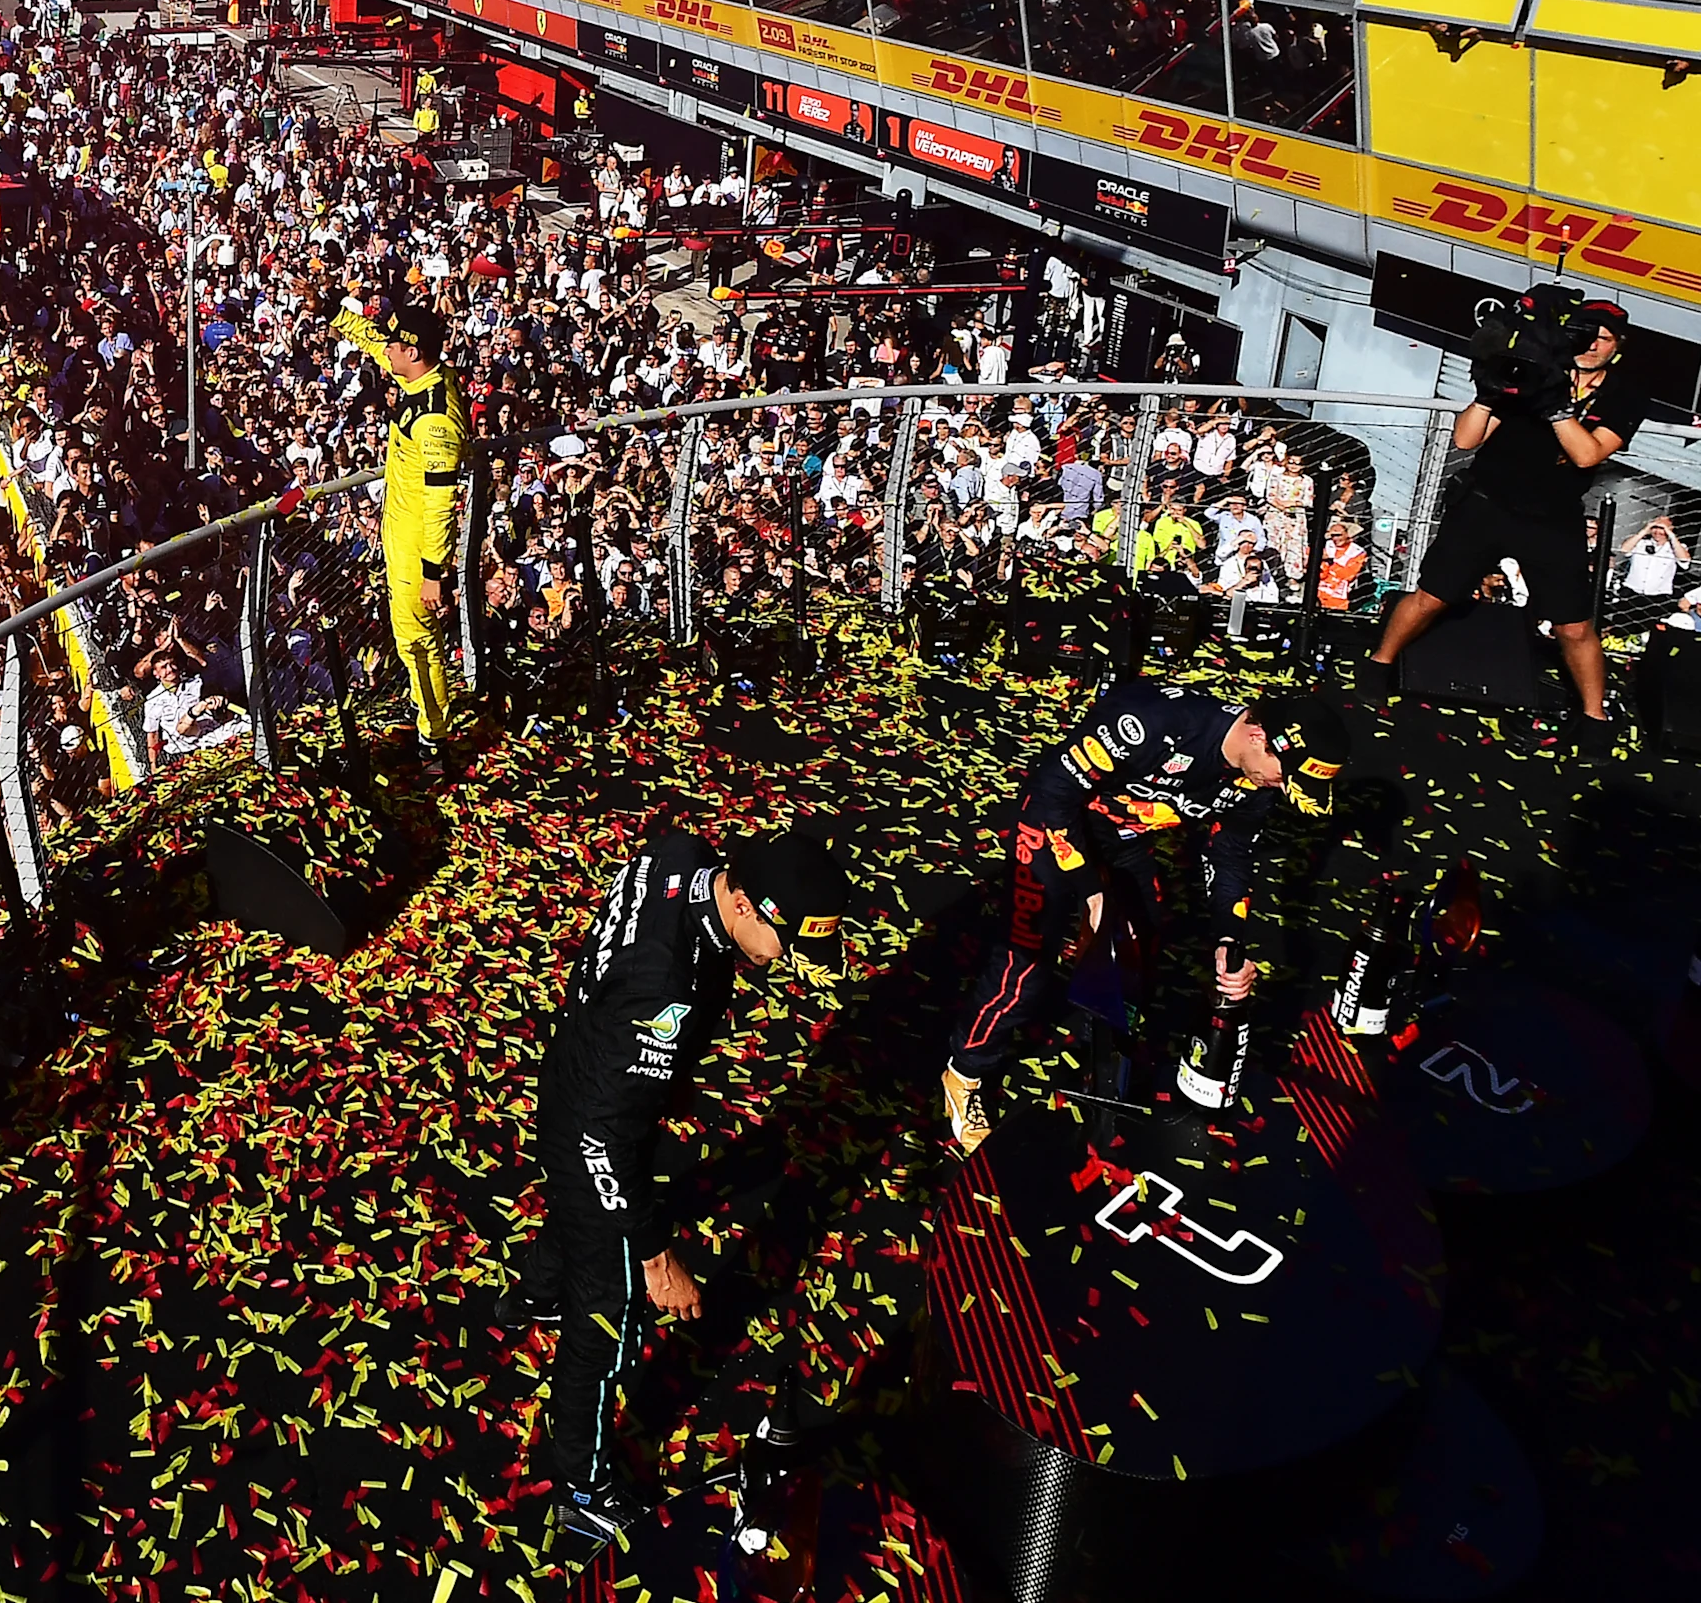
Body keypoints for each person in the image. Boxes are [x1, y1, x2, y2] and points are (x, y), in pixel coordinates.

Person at [513, 820, 849, 1551]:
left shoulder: (686, 855)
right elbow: (603, 1138)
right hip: (591, 1113)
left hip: (584, 1056)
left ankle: (534, 1290)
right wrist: (658, 1257)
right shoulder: (667, 986)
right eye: (786, 944)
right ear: (745, 908)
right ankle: (581, 1484)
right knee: (612, 1305)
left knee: (584, 1210)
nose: (787, 963)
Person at [941, 686, 1347, 1154]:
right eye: (1286, 775)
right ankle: (965, 1071)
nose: (1282, 786)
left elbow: (1231, 856)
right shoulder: (1154, 722)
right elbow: (1050, 794)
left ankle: (1108, 1047)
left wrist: (1228, 939)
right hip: (1054, 827)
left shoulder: (1258, 784)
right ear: (1260, 736)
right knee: (1027, 959)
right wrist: (1092, 892)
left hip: (1124, 838)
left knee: (1142, 941)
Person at [1357, 296, 1645, 755]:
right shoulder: (1532, 368)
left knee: (1573, 626)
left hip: (1552, 517)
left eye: (1603, 339)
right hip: (1487, 503)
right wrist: (1492, 389)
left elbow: (1587, 453)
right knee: (1432, 596)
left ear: (1618, 346)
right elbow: (1466, 438)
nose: (1591, 345)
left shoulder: (1624, 395)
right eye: (1583, 335)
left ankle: (1595, 716)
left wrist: (1556, 408)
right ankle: (1378, 663)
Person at [320, 284, 472, 762]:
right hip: (401, 535)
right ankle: (424, 710)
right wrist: (330, 310)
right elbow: (371, 339)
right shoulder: (422, 377)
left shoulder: (435, 423)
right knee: (413, 643)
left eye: (393, 346)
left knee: (417, 644)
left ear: (413, 351)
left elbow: (441, 503)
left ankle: (434, 740)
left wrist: (433, 572)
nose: (384, 351)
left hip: (415, 549)